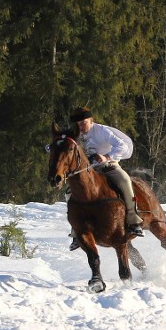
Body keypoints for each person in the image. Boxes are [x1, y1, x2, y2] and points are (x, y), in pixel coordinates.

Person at [67, 107, 143, 250]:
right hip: (89, 172)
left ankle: (133, 221)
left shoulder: (102, 131)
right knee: (69, 193)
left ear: (91, 120)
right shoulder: (76, 134)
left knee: (125, 181)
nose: (81, 126)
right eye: (78, 124)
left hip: (109, 166)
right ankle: (76, 232)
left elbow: (121, 145)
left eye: (83, 123)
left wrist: (107, 157)